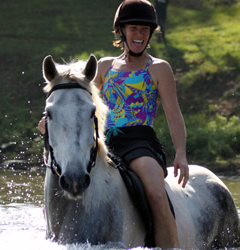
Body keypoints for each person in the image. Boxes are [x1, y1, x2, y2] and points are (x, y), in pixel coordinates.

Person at [94, 0, 188, 248]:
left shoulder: (159, 68)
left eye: (145, 30)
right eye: (134, 28)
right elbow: (83, 104)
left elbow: (173, 115)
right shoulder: (104, 66)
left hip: (140, 142)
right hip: (103, 142)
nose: (139, 34)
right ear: (121, 31)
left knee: (156, 193)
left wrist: (181, 154)